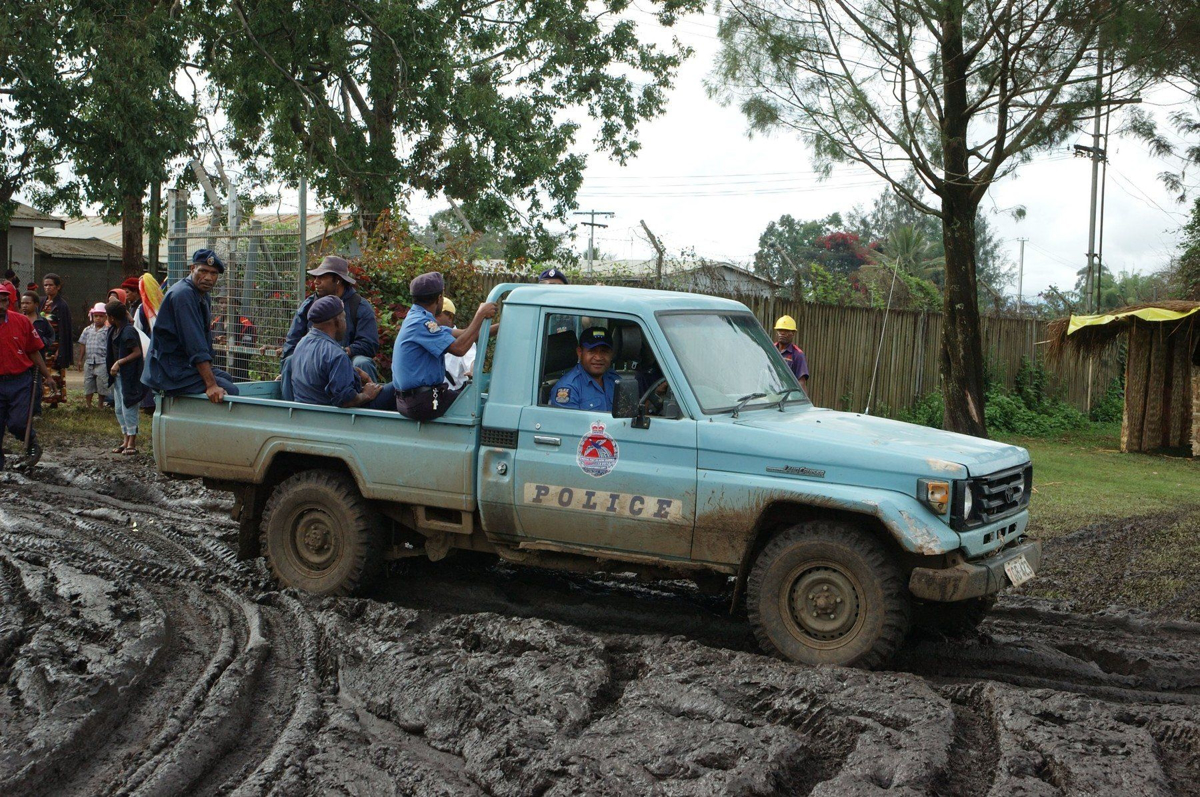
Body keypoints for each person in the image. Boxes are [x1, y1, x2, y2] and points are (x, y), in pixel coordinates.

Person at [392, 272, 496, 421]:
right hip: (424, 403)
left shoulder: (418, 318)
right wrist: (480, 315)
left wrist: (504, 325)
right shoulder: (421, 323)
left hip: (415, 400)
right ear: (439, 297)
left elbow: (467, 333)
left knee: (476, 402)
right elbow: (459, 349)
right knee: (482, 408)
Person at [143, 249, 240, 402]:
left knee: (226, 378)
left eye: (213, 273)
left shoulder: (202, 295)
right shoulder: (183, 295)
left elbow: (204, 340)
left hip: (184, 367)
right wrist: (211, 385)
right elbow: (195, 344)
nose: (208, 278)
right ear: (192, 269)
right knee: (229, 390)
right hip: (169, 371)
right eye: (203, 271)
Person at [281, 255, 380, 381]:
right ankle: (291, 401)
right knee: (290, 361)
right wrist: (287, 367)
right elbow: (292, 341)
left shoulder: (360, 306)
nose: (316, 281)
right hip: (312, 360)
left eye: (322, 277)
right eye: (315, 277)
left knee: (362, 363)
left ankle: (366, 399)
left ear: (338, 280)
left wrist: (343, 352)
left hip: (347, 360)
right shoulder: (308, 305)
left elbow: (369, 344)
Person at [290, 296, 395, 410]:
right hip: (333, 417)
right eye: (344, 318)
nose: (345, 324)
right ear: (336, 321)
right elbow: (345, 400)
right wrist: (366, 395)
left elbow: (320, 372)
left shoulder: (301, 344)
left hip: (308, 412)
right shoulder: (336, 354)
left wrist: (351, 371)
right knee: (396, 388)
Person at [0, 281, 57, 469]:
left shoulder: (21, 322)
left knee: (18, 422)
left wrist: (47, 376)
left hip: (20, 381)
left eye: (4, 301)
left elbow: (34, 351)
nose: (2, 306)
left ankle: (32, 444)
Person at [105, 300, 143, 454]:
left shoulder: (127, 332)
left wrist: (119, 362)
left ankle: (132, 442)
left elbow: (137, 352)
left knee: (129, 407)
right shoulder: (115, 329)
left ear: (112, 317)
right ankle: (125, 439)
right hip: (118, 376)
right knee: (119, 408)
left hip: (129, 376)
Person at [549, 327, 618, 411]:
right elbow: (568, 423)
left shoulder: (614, 379)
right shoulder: (568, 387)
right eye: (592, 351)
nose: (599, 357)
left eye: (604, 351)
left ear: (611, 354)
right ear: (580, 352)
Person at [41, 273, 73, 405]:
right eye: (45, 285)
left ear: (58, 287)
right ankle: (43, 399)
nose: (48, 288)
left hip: (55, 345)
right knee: (43, 371)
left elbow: (65, 330)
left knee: (54, 372)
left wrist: (60, 349)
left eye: (51, 285)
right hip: (43, 344)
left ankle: (54, 400)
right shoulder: (42, 302)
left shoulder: (61, 305)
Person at [20, 291, 53, 417]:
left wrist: (41, 343)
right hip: (21, 360)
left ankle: (36, 412)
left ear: (36, 304)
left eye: (28, 303)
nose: (24, 306)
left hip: (38, 359)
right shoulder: (18, 320)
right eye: (22, 303)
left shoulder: (43, 322)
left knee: (37, 386)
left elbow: (51, 336)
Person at [76, 303, 112, 409]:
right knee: (88, 383)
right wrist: (80, 360)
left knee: (102, 383)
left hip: (102, 362)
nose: (98, 319)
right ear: (92, 316)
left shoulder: (107, 331)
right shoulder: (87, 330)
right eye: (96, 316)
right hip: (89, 361)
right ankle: (88, 404)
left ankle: (100, 404)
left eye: (101, 316)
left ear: (106, 317)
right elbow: (83, 344)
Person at [437, 297, 476, 390]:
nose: (432, 319)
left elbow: (472, 360)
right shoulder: (429, 335)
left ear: (450, 317)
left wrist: (473, 370)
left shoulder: (464, 340)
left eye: (437, 315)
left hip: (451, 399)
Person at [773, 315, 809, 395]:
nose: (782, 333)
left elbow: (801, 383)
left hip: (787, 398)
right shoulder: (771, 350)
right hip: (770, 395)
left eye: (786, 331)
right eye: (780, 330)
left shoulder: (798, 355)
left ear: (793, 333)